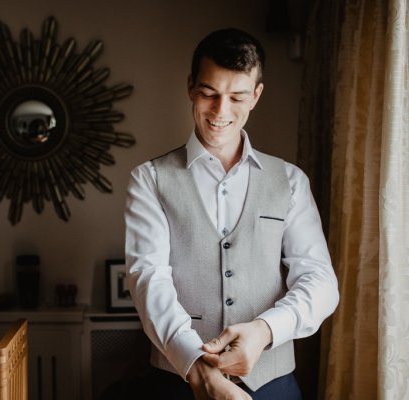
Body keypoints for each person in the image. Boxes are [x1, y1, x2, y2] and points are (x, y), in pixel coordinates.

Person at [124, 28, 339, 400]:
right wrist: (196, 367)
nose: (221, 111)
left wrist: (263, 331)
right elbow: (148, 280)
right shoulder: (149, 180)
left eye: (237, 96)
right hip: (174, 385)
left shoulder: (290, 181)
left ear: (256, 95)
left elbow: (320, 281)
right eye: (209, 93)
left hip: (273, 385)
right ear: (191, 87)